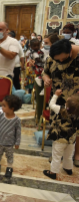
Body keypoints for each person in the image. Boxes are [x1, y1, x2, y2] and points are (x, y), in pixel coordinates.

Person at [43, 39, 79, 168]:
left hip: (76, 103)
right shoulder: (52, 58)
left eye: (63, 59)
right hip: (58, 100)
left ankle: (76, 155)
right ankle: (56, 154)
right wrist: (46, 79)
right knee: (58, 128)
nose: (60, 62)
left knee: (75, 129)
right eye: (58, 60)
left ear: (70, 51)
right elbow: (45, 72)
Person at [43, 90, 79, 180]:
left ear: (67, 105)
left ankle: (53, 172)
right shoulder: (78, 114)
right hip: (71, 140)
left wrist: (55, 95)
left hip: (59, 139)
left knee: (56, 156)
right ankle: (68, 168)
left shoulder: (61, 110)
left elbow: (51, 105)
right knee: (69, 155)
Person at [0, 95, 22, 178]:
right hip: (0, 141)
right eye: (2, 105)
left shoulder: (17, 120)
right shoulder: (1, 116)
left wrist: (17, 142)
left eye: (4, 106)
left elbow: (18, 132)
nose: (1, 107)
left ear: (12, 108)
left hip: (9, 143)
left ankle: (9, 168)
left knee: (9, 156)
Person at [25, 39, 45, 124]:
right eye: (34, 46)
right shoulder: (33, 52)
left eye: (38, 45)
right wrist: (46, 61)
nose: (36, 47)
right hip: (38, 71)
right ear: (31, 46)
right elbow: (39, 60)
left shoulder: (40, 51)